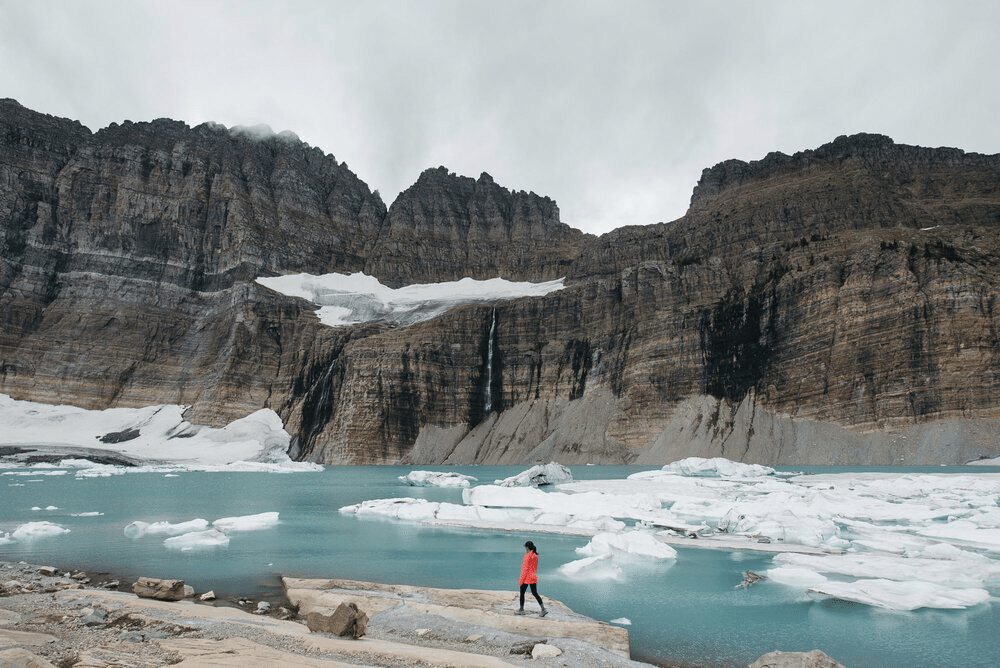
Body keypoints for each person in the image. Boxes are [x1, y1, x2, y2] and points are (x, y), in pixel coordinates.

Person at [516, 540, 547, 616]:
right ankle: (543, 609)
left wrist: (521, 580)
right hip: (533, 577)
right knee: (535, 593)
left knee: (522, 593)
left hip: (526, 577)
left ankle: (521, 610)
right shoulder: (535, 556)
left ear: (527, 548)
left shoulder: (527, 556)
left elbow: (525, 569)